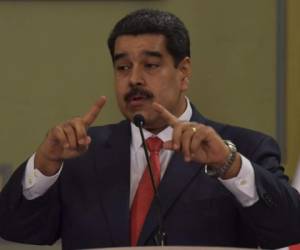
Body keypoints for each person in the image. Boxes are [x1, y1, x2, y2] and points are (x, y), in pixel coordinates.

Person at [0, 8, 300, 250]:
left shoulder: (243, 149)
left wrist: (228, 165)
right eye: (123, 67)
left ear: (183, 72)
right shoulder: (81, 153)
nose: (134, 79)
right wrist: (44, 165)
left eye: (151, 65)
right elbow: (17, 229)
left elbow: (289, 229)